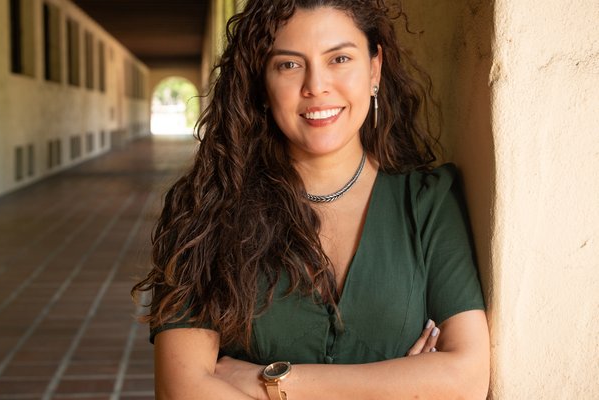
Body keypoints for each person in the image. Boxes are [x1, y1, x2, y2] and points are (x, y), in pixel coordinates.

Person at [132, 0, 490, 398]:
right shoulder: (203, 209)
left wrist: (270, 381)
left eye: (339, 58)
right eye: (289, 64)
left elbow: (467, 379)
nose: (316, 86)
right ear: (262, 85)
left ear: (374, 68)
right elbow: (183, 392)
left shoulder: (429, 202)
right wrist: (405, 383)